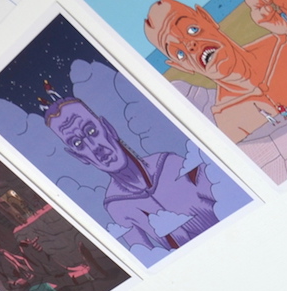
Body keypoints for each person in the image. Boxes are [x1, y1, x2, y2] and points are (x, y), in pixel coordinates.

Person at [144, 0, 287, 140]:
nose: (191, 46)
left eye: (192, 29)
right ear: (180, 66)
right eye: (179, 53)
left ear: (208, 19)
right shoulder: (229, 120)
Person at [44, 97, 217, 252]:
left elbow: (225, 196)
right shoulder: (116, 206)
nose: (94, 147)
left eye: (91, 131)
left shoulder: (170, 163)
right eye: (78, 143)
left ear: (108, 129)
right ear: (79, 156)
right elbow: (148, 256)